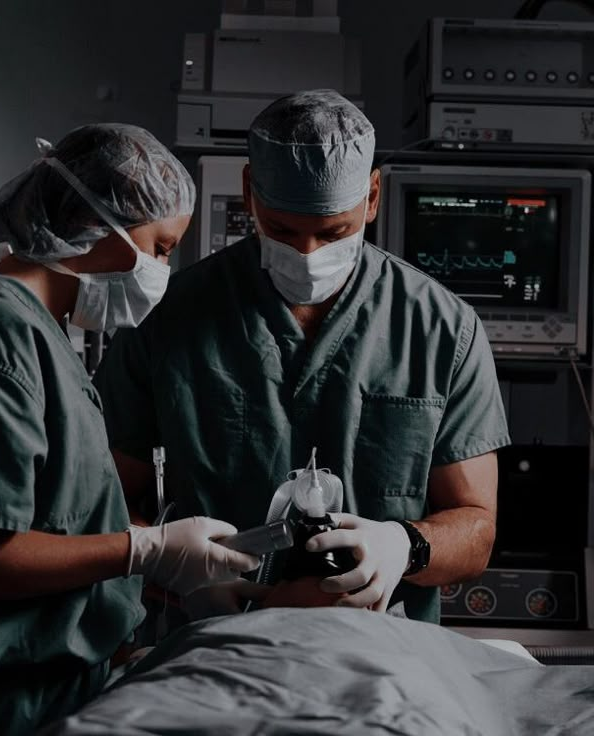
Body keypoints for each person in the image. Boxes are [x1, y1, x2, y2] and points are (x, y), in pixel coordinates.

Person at [0, 123, 258, 735]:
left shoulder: (41, 335)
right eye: (160, 247)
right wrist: (144, 551)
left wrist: (170, 568)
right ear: (103, 227)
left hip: (24, 695)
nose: (162, 269)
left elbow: (52, 525)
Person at [93, 90, 511, 623]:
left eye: (334, 232)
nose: (308, 255)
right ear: (250, 193)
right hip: (208, 644)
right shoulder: (167, 320)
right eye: (284, 231)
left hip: (380, 657)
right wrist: (166, 565)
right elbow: (106, 505)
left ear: (373, 196)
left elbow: (475, 529)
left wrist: (405, 546)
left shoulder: (442, 329)